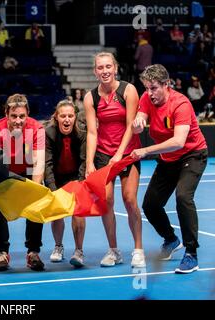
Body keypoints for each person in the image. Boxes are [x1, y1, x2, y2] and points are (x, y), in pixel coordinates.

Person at [131, 64, 208, 274]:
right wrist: (137, 123)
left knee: (183, 197)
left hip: (192, 154)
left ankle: (191, 253)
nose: (149, 93)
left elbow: (179, 141)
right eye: (146, 88)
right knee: (150, 205)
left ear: (166, 84)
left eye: (154, 88)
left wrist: (146, 150)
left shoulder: (181, 104)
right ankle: (171, 240)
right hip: (168, 159)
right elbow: (140, 121)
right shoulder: (147, 98)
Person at [84, 52, 145, 268]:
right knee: (106, 201)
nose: (105, 71)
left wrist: (119, 155)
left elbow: (131, 125)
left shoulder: (128, 90)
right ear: (95, 71)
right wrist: (90, 162)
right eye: (100, 67)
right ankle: (114, 250)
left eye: (108, 66)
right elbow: (92, 132)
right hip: (102, 155)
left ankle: (138, 250)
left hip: (127, 154)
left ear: (116, 68)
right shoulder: (90, 97)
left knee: (129, 200)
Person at [0, 93, 46, 271]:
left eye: (22, 116)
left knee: (37, 205)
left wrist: (35, 190)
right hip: (4, 172)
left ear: (27, 113)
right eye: (14, 116)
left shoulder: (37, 128)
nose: (18, 121)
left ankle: (33, 252)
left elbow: (39, 161)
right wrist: (6, 191)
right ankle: (2, 253)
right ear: (6, 114)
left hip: (28, 170)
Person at [44, 100, 87, 267]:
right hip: (56, 176)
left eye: (70, 116)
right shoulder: (48, 132)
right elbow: (47, 164)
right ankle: (58, 247)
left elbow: (84, 161)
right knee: (57, 212)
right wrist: (53, 189)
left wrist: (80, 183)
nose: (67, 119)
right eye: (63, 116)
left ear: (75, 117)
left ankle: (79, 251)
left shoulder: (82, 132)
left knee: (78, 212)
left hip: (76, 176)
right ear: (56, 117)